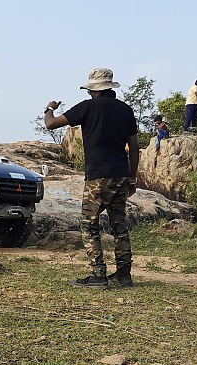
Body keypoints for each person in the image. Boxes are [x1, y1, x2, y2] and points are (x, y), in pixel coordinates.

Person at [44, 67, 139, 288]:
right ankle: (124, 275)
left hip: (98, 177)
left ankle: (98, 275)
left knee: (89, 225)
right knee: (119, 226)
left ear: (93, 90)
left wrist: (49, 108)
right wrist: (132, 178)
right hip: (121, 175)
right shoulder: (126, 110)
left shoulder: (87, 108)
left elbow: (50, 124)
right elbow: (133, 147)